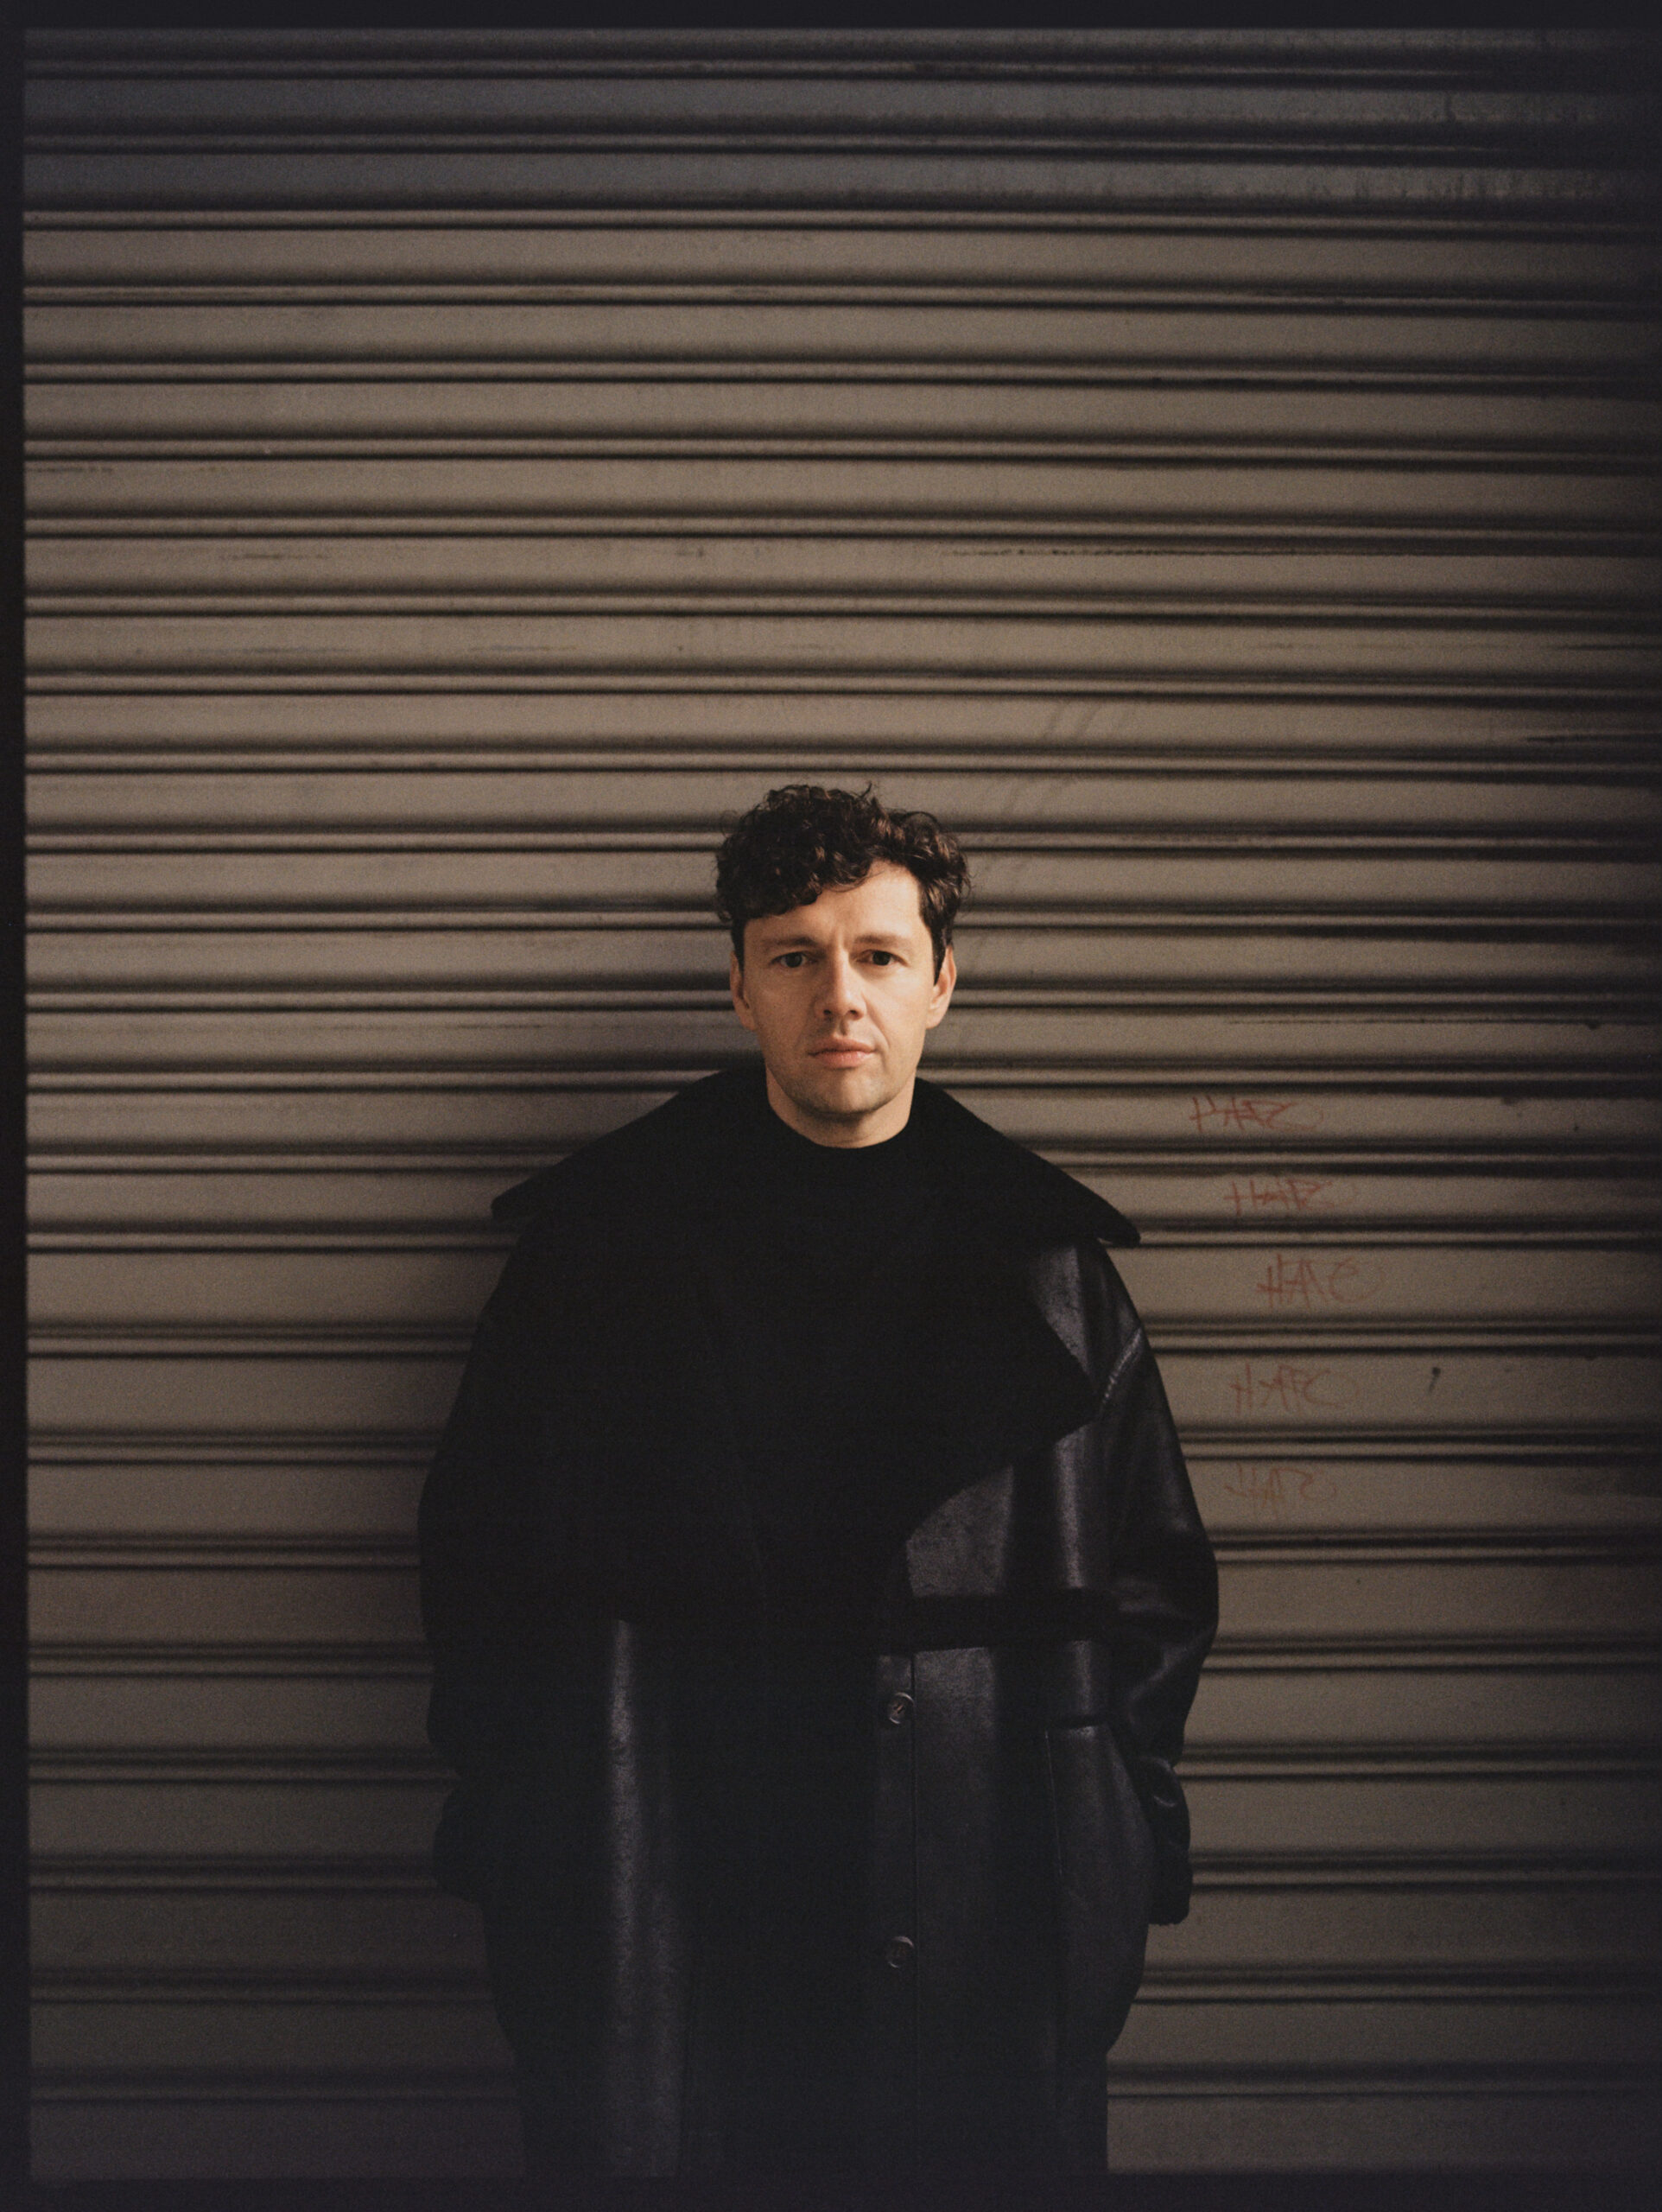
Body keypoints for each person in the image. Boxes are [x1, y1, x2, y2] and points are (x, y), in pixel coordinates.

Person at [418, 784, 1217, 2179]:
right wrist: (529, 1809)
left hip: (973, 1867)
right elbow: (475, 1559)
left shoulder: (1050, 1272)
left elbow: (1155, 1582)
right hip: (662, 1864)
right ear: (740, 986)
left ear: (941, 984)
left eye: (878, 955)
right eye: (795, 955)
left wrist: (1109, 1823)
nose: (839, 995)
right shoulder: (596, 1255)